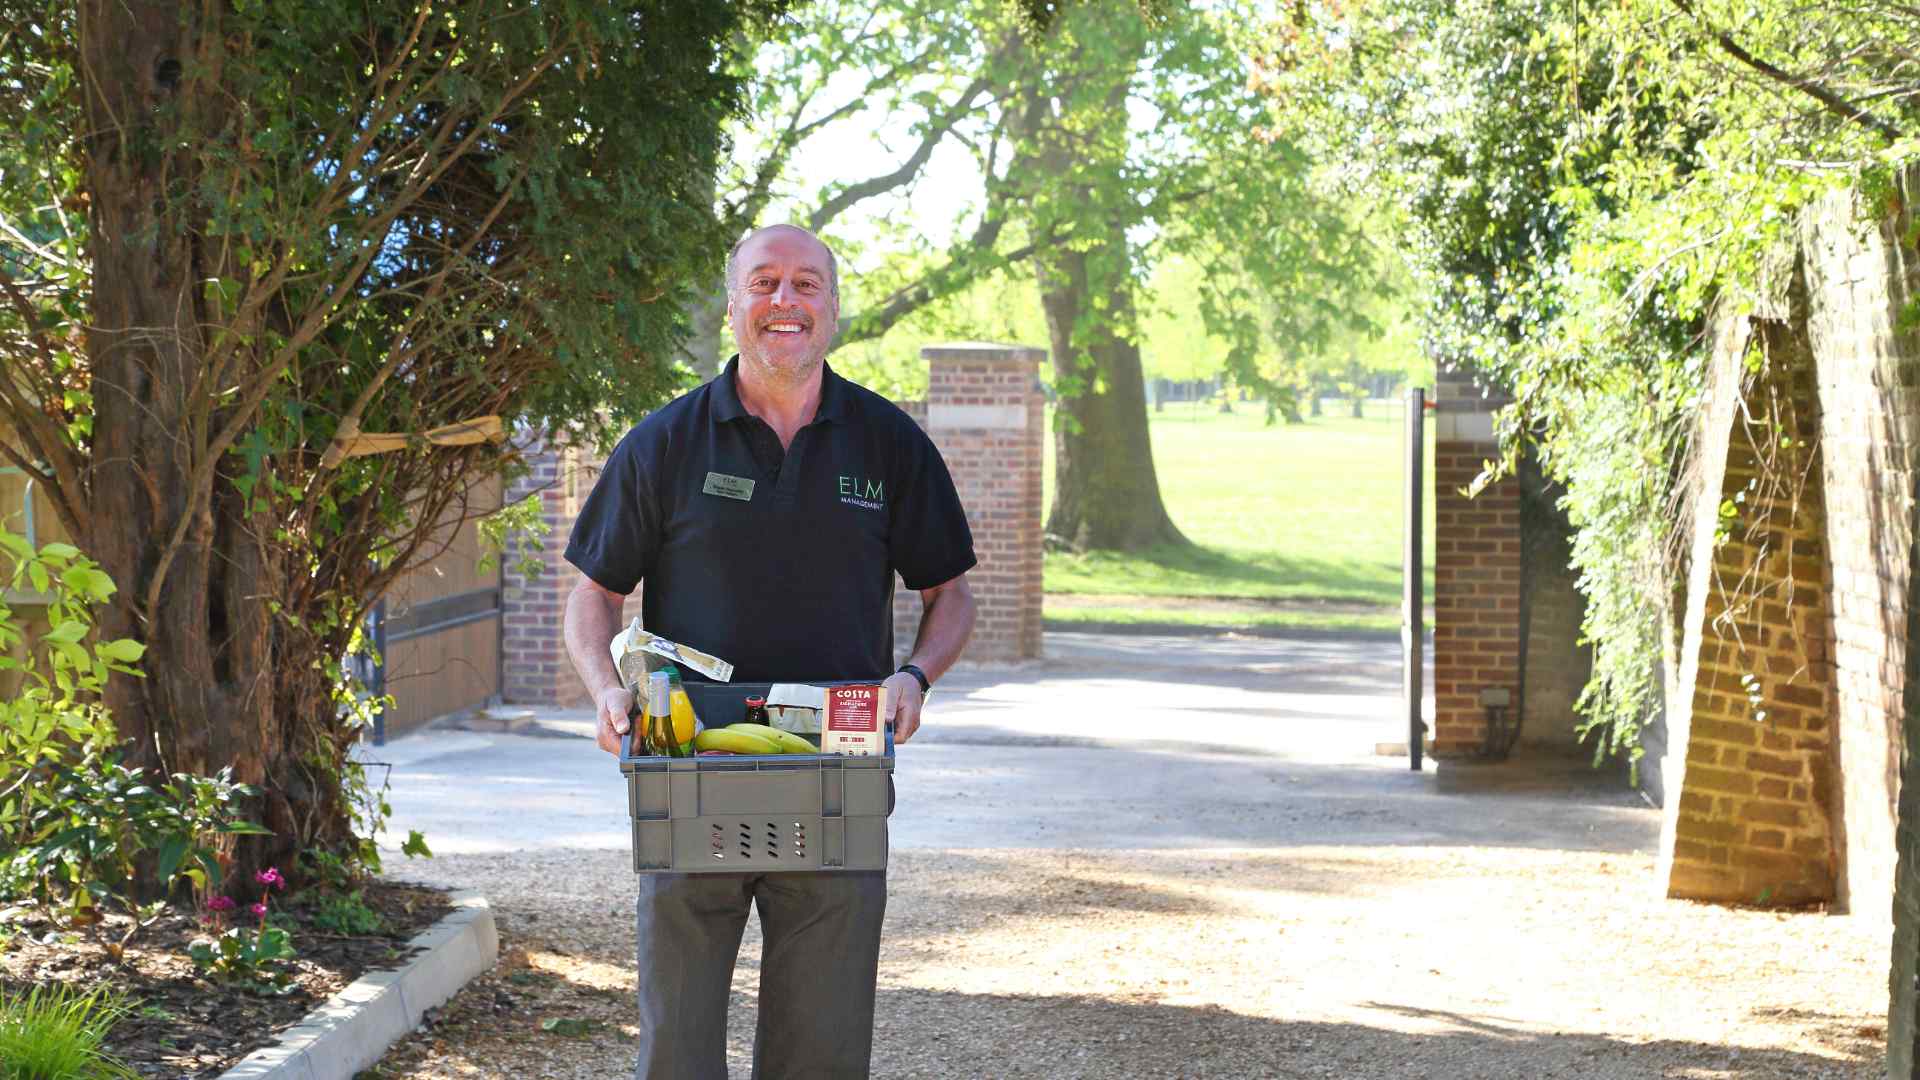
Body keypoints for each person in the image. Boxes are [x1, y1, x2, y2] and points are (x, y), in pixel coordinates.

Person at [561, 223, 978, 1079]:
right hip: (687, 762)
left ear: (832, 308)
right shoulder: (665, 443)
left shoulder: (889, 443)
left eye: (805, 284)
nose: (784, 302)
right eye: (764, 283)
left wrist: (916, 676)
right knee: (675, 1045)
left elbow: (951, 595)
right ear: (732, 305)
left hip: (842, 767)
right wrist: (606, 689)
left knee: (820, 1049)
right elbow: (593, 595)